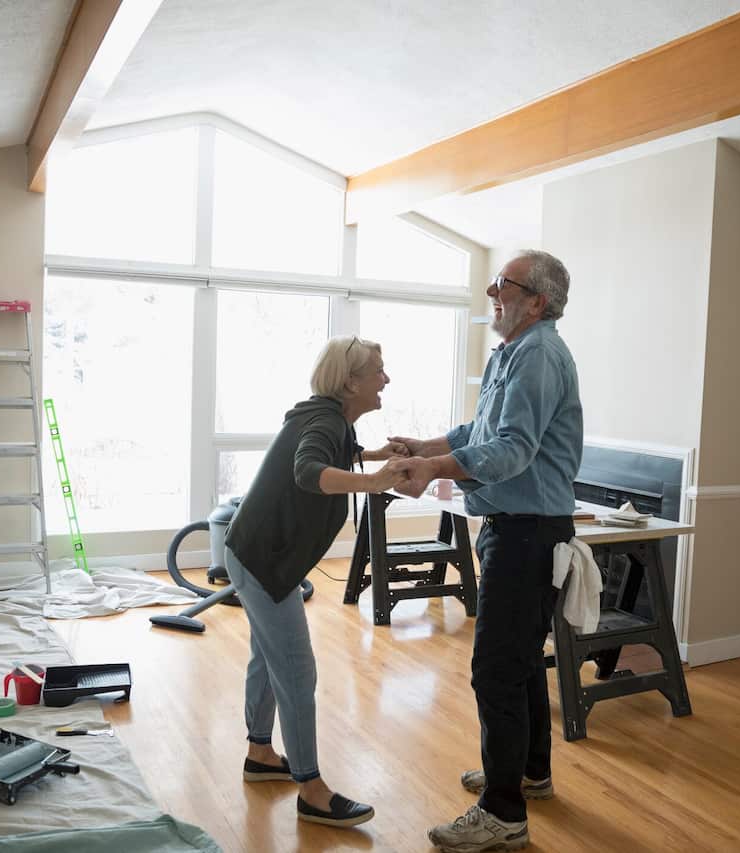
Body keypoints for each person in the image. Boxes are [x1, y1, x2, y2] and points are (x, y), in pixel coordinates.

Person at [390, 250, 583, 853]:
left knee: (495, 671)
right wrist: (427, 445)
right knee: (521, 661)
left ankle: (503, 814)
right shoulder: (516, 352)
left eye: (505, 284)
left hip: (528, 532)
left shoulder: (540, 356)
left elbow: (512, 450)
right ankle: (528, 773)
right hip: (516, 525)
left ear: (537, 301)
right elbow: (481, 431)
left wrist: (436, 468)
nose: (493, 291)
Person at [222, 335, 411, 829]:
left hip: (257, 554)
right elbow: (309, 470)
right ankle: (311, 789)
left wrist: (370, 457)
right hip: (264, 562)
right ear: (351, 382)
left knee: (268, 658)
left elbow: (334, 451)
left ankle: (260, 755)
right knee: (297, 670)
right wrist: (372, 481)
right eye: (378, 370)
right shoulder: (325, 420)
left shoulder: (329, 417)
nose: (385, 379)